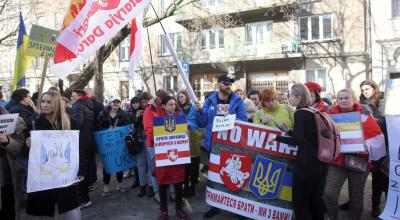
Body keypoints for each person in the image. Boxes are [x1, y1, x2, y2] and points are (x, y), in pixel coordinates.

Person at [324, 89, 386, 220]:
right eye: (340, 98)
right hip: (337, 162)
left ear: (353, 99)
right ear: (337, 101)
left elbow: (378, 138)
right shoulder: (330, 116)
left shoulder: (364, 116)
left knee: (356, 196)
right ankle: (332, 217)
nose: (343, 100)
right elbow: (325, 136)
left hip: (359, 161)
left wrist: (366, 148)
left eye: (346, 98)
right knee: (329, 193)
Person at [271, 83, 327, 220]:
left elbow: (298, 141)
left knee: (300, 204)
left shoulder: (300, 113)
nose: (289, 98)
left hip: (306, 164)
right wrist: (288, 131)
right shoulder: (312, 111)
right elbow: (307, 137)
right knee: (314, 201)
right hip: (320, 163)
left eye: (290, 95)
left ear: (298, 96)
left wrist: (277, 138)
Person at [194, 73, 246, 219]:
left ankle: (236, 208)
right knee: (214, 176)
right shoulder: (209, 101)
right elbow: (201, 123)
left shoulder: (238, 101)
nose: (229, 86)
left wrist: (229, 120)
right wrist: (198, 111)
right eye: (226, 84)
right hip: (214, 146)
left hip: (231, 145)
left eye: (230, 84)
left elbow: (243, 121)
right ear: (218, 85)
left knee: (233, 176)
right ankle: (215, 205)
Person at [25, 91, 83, 219]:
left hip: (65, 176)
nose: (44, 105)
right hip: (44, 179)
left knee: (72, 214)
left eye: (49, 102)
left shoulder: (70, 122)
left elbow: (79, 148)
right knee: (47, 214)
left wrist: (81, 171)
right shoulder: (34, 123)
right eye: (43, 101)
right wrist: (28, 144)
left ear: (56, 104)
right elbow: (26, 154)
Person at [152, 96, 188, 220]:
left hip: (177, 157)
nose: (173, 106)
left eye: (174, 104)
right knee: (163, 185)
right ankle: (164, 211)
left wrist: (186, 134)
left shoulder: (180, 118)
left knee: (178, 184)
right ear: (163, 106)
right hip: (163, 157)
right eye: (170, 104)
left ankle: (179, 208)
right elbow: (151, 137)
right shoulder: (157, 118)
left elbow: (184, 136)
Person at [358, 80, 387, 217]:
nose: (365, 92)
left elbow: (391, 120)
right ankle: (375, 205)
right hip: (371, 144)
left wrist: (376, 122)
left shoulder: (385, 101)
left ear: (375, 89)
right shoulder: (362, 103)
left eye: (367, 89)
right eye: (363, 89)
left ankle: (391, 204)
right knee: (376, 176)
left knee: (387, 176)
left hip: (387, 142)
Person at [97, 96, 130, 196]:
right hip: (107, 144)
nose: (116, 104)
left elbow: (127, 126)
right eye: (114, 102)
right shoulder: (103, 114)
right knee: (107, 164)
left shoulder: (124, 114)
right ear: (110, 103)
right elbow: (97, 126)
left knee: (119, 163)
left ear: (120, 104)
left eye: (118, 102)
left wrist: (119, 128)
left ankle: (120, 184)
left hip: (119, 143)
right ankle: (106, 187)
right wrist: (107, 128)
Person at [70, 89, 96, 208]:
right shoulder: (88, 104)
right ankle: (85, 194)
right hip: (89, 139)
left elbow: (77, 123)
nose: (71, 98)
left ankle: (83, 198)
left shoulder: (78, 106)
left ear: (79, 96)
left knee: (81, 170)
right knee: (86, 168)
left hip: (81, 141)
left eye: (73, 96)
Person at [143, 90, 170, 202]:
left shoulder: (164, 109)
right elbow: (148, 129)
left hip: (165, 143)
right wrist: (159, 138)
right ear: (158, 98)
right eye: (162, 100)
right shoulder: (149, 110)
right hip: (153, 144)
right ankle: (156, 192)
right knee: (155, 168)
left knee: (167, 166)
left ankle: (168, 190)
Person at [0, 106, 25, 220]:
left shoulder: (13, 120)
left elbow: (20, 148)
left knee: (9, 210)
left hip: (7, 179)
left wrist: (7, 141)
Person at [177, 90, 202, 197]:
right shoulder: (178, 109)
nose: (180, 99)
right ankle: (186, 186)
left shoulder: (193, 108)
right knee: (185, 166)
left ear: (186, 97)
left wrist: (185, 123)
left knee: (194, 165)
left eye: (182, 96)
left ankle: (192, 187)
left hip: (194, 138)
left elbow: (198, 122)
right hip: (183, 140)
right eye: (179, 97)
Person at [126, 97, 142, 190]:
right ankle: (137, 180)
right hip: (134, 139)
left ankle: (143, 180)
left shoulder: (143, 111)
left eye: (137, 102)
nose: (135, 104)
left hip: (142, 138)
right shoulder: (129, 113)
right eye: (133, 103)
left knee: (142, 162)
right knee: (136, 162)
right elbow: (130, 126)